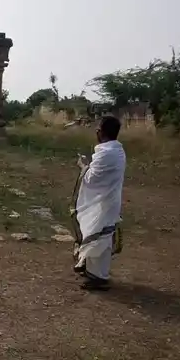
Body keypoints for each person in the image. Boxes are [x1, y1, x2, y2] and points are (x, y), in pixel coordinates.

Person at [70, 115, 126, 291]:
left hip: (103, 203)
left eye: (98, 128)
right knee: (96, 236)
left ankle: (99, 278)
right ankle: (92, 271)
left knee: (99, 239)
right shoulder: (116, 150)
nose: (96, 130)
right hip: (105, 201)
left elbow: (92, 178)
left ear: (101, 132)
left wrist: (83, 166)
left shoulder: (108, 153)